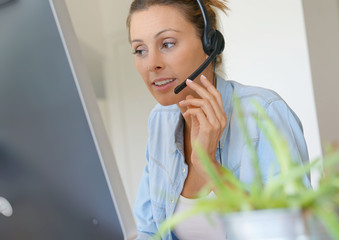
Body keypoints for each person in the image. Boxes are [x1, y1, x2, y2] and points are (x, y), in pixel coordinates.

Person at [126, 0, 310, 239]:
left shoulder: (263, 112)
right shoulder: (159, 121)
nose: (152, 64)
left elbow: (293, 232)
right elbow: (148, 231)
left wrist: (210, 167)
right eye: (140, 50)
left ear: (210, 44)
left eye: (167, 44)